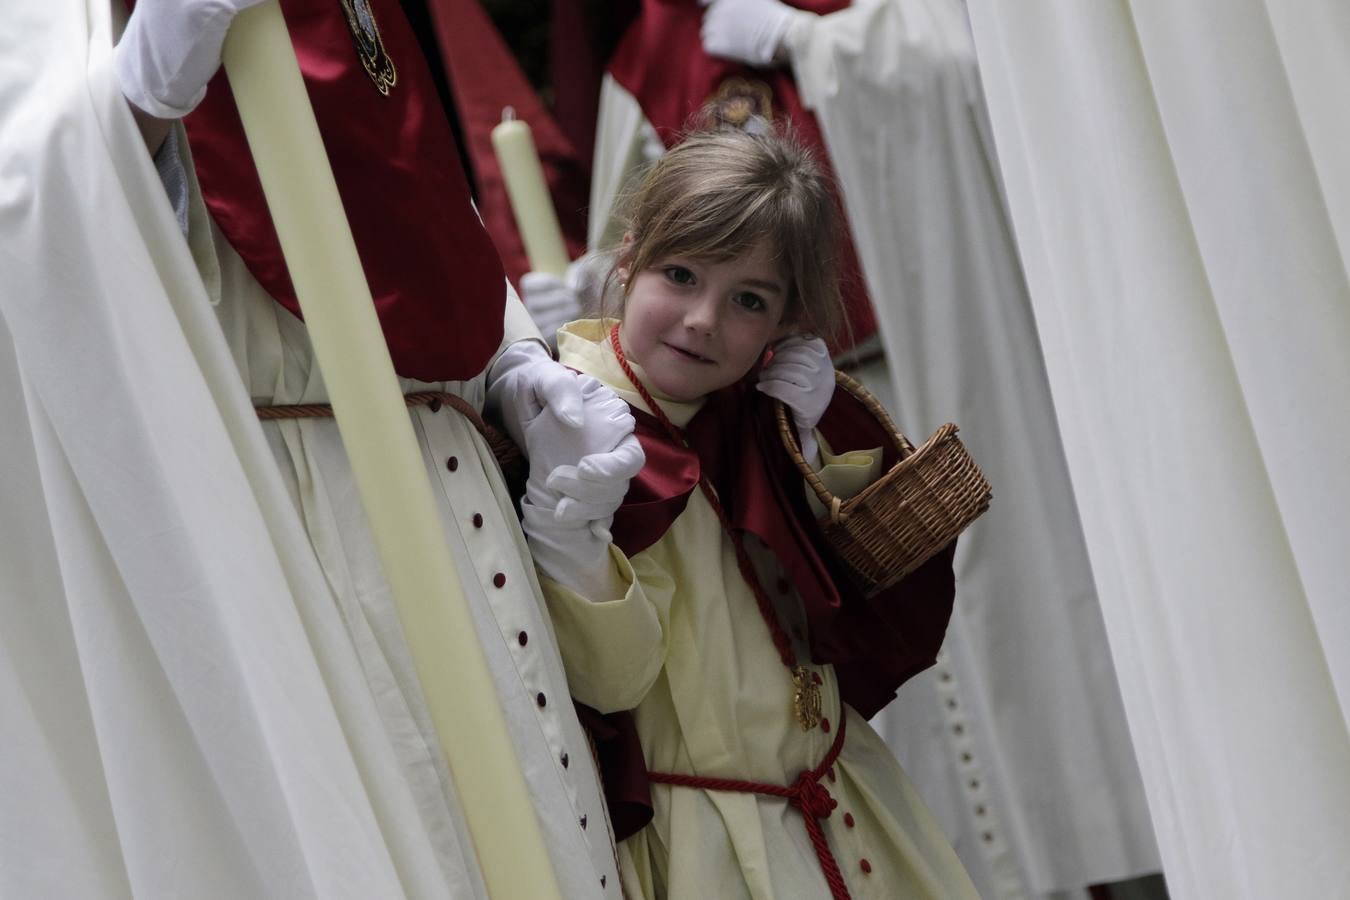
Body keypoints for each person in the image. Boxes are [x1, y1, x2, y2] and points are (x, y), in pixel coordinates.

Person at [0, 0, 637, 895]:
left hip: (453, 485)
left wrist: (511, 359)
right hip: (289, 505)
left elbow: (414, 201)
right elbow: (22, 209)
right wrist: (131, 111)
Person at [518, 128, 979, 899]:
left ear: (786, 321)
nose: (703, 319)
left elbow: (876, 599)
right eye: (681, 273)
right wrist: (574, 546)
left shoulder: (749, 408)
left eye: (748, 301)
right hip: (708, 845)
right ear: (626, 257)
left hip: (849, 802)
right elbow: (613, 680)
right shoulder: (577, 427)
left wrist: (815, 442)